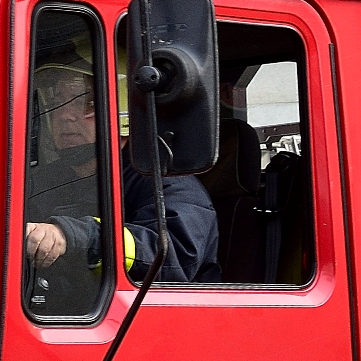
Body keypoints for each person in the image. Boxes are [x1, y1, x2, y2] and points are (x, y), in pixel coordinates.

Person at [24, 47, 219, 312]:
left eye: (86, 102)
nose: (64, 115)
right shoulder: (43, 181)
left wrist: (74, 236)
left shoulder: (167, 182)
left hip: (151, 327)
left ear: (124, 108)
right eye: (57, 101)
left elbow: (174, 255)